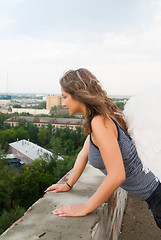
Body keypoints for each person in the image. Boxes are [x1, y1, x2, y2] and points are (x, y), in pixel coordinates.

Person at [45, 68, 161, 229]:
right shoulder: (103, 117)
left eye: (65, 97)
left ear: (78, 94)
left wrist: (86, 207)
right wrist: (69, 184)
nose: (63, 103)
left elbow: (117, 175)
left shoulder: (100, 122)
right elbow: (84, 154)